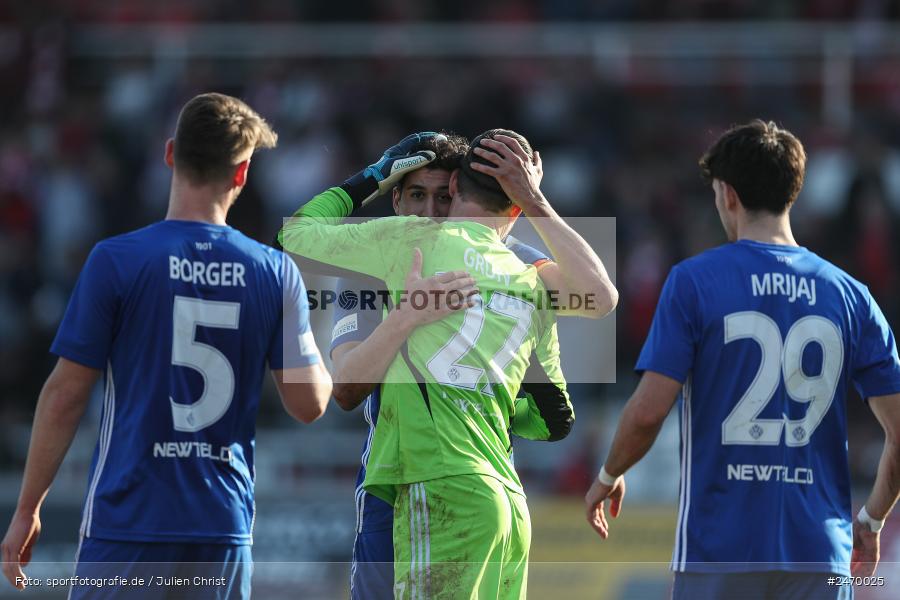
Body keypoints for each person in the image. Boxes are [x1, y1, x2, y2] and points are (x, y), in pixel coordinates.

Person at [0, 93, 332, 599]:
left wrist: (27, 509)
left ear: (171, 153)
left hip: (129, 519)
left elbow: (65, 394)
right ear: (241, 174)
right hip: (220, 525)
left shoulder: (116, 260)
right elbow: (308, 404)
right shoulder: (274, 270)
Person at [279, 128, 603, 599]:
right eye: (415, 196)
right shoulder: (371, 272)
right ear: (394, 202)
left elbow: (290, 235)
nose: (429, 214)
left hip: (431, 480)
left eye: (439, 198)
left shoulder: (494, 259)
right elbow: (347, 390)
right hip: (409, 491)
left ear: (457, 193)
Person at [584, 120, 900, 600]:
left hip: (718, 550)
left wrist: (610, 474)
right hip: (820, 552)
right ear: (791, 192)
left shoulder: (694, 281)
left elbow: (649, 412)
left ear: (728, 194)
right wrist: (872, 518)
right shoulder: (850, 296)